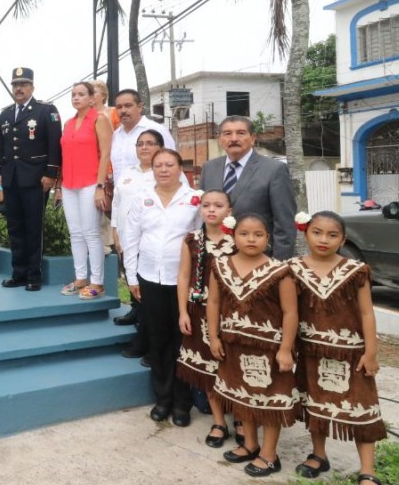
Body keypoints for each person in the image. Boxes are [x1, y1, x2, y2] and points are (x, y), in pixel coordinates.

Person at [288, 211, 386, 484]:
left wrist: (371, 352)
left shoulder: (356, 270)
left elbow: (367, 313)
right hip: (311, 352)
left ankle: (368, 470)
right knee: (315, 404)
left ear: (342, 239)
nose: (323, 240)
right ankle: (319, 455)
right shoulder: (292, 268)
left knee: (361, 408)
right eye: (317, 232)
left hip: (352, 353)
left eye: (332, 235)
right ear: (305, 233)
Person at [207, 213, 299, 477]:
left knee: (270, 401)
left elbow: (290, 312)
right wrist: (213, 337)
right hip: (233, 345)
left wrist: (285, 349)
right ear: (233, 236)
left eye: (258, 234)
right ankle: (249, 443)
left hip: (269, 350)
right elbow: (213, 303)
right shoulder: (220, 266)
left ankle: (269, 455)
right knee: (240, 396)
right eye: (244, 234)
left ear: (267, 238)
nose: (251, 239)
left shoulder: (280, 270)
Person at [122, 149, 200, 427]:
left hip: (182, 283)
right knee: (157, 340)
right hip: (149, 279)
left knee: (182, 342)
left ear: (181, 168)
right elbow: (130, 239)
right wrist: (131, 277)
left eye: (169, 164)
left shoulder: (195, 200)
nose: (163, 169)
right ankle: (162, 399)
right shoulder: (142, 199)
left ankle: (182, 403)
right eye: (158, 165)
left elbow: (200, 241)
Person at [175, 189, 236, 448]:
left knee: (233, 367)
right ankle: (219, 421)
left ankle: (242, 420)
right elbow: (183, 276)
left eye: (218, 205)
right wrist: (183, 312)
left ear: (229, 211)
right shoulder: (192, 240)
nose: (211, 210)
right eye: (207, 205)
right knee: (208, 367)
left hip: (231, 313)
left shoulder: (239, 240)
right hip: (199, 309)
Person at [110, 89, 175, 329]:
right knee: (130, 269)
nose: (124, 110)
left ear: (140, 106)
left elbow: (172, 161)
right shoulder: (117, 135)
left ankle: (147, 319)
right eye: (119, 107)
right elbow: (118, 196)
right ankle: (135, 311)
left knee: (147, 274)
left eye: (128, 105)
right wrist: (116, 230)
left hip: (153, 223)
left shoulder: (157, 130)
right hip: (125, 213)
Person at [0, 68, 62, 292]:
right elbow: (0, 148)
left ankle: (34, 275)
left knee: (33, 228)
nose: (19, 89)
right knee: (15, 227)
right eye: (15, 85)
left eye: (23, 85)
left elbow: (54, 144)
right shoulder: (5, 114)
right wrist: (0, 173)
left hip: (35, 178)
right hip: (12, 179)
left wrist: (50, 174)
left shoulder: (46, 111)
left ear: (32, 87)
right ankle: (18, 273)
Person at [200, 116, 298, 259]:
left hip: (258, 258)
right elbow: (203, 214)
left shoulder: (274, 169)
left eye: (240, 133)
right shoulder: (209, 167)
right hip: (214, 257)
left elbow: (285, 222)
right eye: (227, 134)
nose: (233, 139)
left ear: (252, 138)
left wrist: (278, 265)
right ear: (220, 139)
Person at [57, 82, 113, 299]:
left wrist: (100, 186)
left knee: (91, 233)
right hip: (69, 185)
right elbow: (64, 156)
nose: (76, 98)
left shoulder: (99, 119)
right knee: (76, 233)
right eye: (73, 95)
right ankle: (81, 278)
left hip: (91, 183)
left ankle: (97, 282)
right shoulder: (69, 123)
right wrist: (60, 185)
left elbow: (106, 153)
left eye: (81, 94)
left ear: (92, 98)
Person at [91, 80, 118, 250]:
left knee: (113, 208)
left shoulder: (113, 113)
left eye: (94, 92)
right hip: (92, 169)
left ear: (103, 94)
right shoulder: (84, 116)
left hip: (112, 167)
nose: (91, 96)